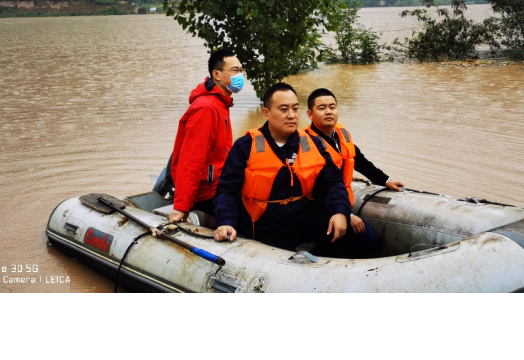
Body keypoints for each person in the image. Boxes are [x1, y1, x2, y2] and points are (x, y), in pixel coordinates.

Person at [213, 83, 377, 257]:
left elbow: (333, 183)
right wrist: (226, 222)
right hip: (263, 224)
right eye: (283, 109)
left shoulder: (312, 143)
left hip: (301, 217)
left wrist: (340, 212)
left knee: (367, 239)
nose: (291, 115)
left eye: (295, 108)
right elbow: (227, 190)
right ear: (266, 113)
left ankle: (324, 259)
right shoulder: (246, 146)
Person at [304, 88, 405, 241]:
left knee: (371, 242)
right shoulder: (306, 144)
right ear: (310, 114)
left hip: (342, 202)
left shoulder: (340, 134)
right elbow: (321, 190)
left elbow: (360, 162)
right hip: (319, 208)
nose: (328, 112)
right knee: (370, 242)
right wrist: (347, 215)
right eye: (322, 108)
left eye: (332, 107)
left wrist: (386, 180)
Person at [167, 48, 243, 224]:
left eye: (240, 70)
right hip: (208, 191)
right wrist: (182, 206)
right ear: (217, 75)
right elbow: (191, 159)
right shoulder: (207, 108)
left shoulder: (221, 102)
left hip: (219, 182)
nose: (239, 76)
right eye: (234, 70)